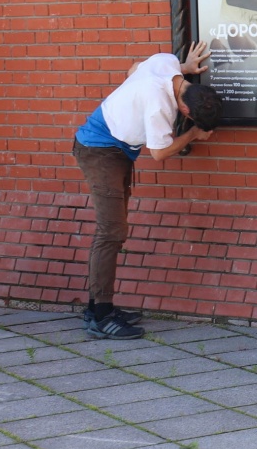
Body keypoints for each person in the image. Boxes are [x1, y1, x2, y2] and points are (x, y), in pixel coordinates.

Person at [73, 43, 221, 340]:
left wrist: (185, 67)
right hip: (100, 151)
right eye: (190, 118)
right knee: (111, 232)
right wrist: (193, 133)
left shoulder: (167, 63)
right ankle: (101, 317)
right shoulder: (159, 106)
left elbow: (133, 69)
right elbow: (159, 152)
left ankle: (97, 307)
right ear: (185, 109)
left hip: (114, 150)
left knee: (113, 231)